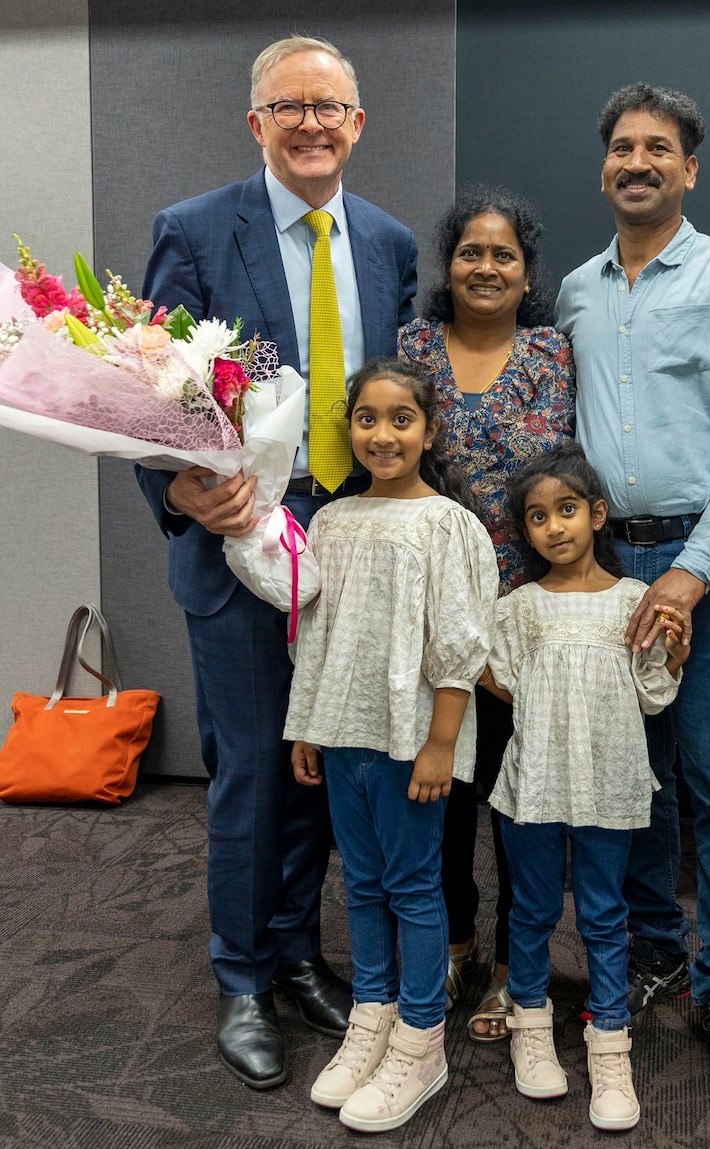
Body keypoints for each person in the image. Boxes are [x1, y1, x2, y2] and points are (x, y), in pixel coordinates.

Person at [135, 36, 418, 1090]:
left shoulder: (388, 243)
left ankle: (300, 955)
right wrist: (175, 489)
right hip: (238, 544)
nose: (311, 123)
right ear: (256, 124)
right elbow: (145, 387)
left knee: (322, 771)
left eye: (330, 106)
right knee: (253, 772)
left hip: (349, 554)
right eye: (288, 106)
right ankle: (243, 978)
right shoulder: (197, 229)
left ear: (357, 124)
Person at [555, 82, 710, 1108]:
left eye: (657, 148)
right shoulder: (573, 289)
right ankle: (657, 948)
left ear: (688, 169)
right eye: (620, 147)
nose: (636, 161)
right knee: (633, 779)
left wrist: (692, 576)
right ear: (603, 167)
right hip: (606, 572)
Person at [287, 358, 499, 1132]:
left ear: (429, 429)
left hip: (413, 742)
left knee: (414, 886)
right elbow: (315, 633)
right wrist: (308, 723)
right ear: (350, 430)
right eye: (367, 418)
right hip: (344, 733)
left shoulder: (448, 524)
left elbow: (460, 644)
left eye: (400, 419)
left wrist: (443, 742)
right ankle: (371, 1013)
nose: (383, 433)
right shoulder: (334, 522)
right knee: (365, 882)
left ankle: (421, 1037)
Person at [398, 186, 574, 1041]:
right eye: (471, 250)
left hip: (519, 620)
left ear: (527, 272)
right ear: (449, 263)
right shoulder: (412, 348)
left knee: (514, 802)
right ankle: (457, 943)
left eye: (505, 254)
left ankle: (513, 968)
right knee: (441, 794)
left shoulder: (552, 353)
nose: (487, 266)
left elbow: (565, 479)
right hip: (430, 614)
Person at [480, 444, 688, 1131]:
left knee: (603, 916)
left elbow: (652, 695)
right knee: (533, 910)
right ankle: (532, 1029)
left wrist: (674, 653)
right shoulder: (519, 608)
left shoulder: (636, 602)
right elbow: (503, 682)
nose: (554, 526)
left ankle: (609, 1050)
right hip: (534, 785)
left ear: (598, 513)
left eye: (567, 509)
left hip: (609, 785)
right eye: (537, 517)